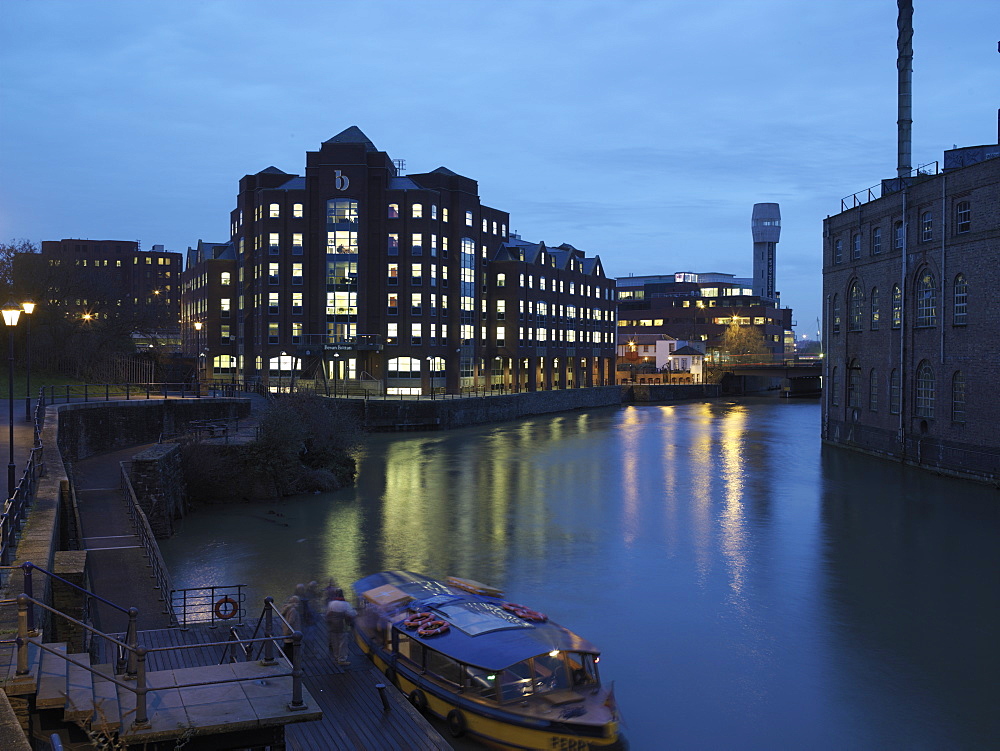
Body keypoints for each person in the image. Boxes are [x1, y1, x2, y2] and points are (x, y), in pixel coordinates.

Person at [325, 587, 357, 665]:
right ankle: (342, 659)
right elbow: (352, 613)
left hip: (332, 626)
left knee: (334, 642)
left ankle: (336, 657)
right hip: (342, 626)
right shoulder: (346, 604)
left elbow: (327, 614)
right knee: (343, 643)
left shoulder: (331, 603)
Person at [280, 595, 301, 660]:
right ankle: (293, 664)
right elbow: (291, 621)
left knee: (287, 646)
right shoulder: (293, 610)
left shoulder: (286, 608)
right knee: (292, 649)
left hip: (286, 631)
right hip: (292, 632)